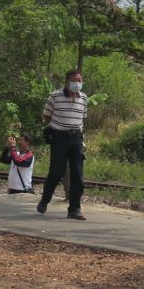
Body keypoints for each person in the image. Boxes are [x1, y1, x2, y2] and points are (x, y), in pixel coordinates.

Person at [37, 69, 88, 220]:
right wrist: (56, 129)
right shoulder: (55, 96)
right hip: (59, 137)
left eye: (79, 80)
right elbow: (46, 115)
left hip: (76, 138)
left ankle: (74, 209)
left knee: (77, 174)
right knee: (56, 172)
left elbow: (82, 117)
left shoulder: (84, 98)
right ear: (67, 82)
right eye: (74, 80)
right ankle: (45, 200)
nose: (77, 83)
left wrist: (79, 135)